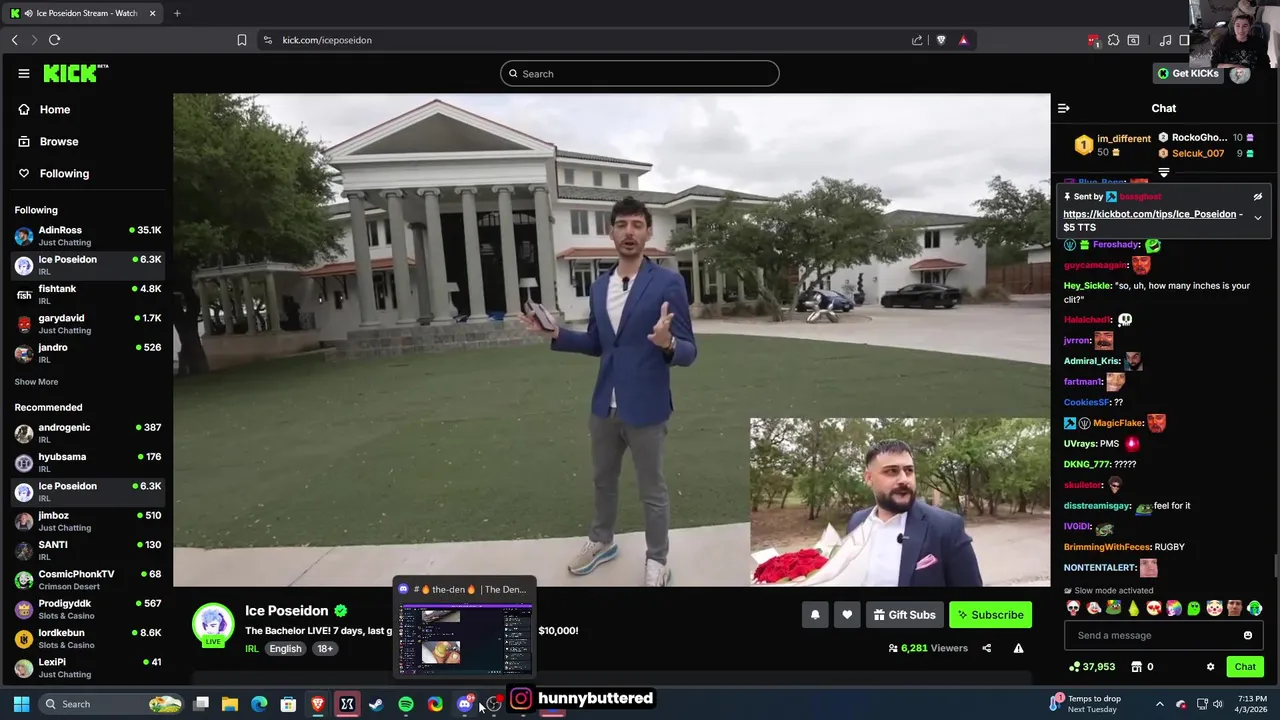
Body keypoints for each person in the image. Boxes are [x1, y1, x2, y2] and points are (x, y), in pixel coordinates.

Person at [519, 196, 696, 587]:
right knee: (603, 480)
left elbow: (689, 350)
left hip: (647, 406)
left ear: (648, 232)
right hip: (604, 406)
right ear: (610, 232)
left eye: (637, 225)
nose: (629, 232)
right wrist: (555, 333)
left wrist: (667, 343)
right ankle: (601, 541)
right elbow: (599, 343)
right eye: (621, 225)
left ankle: (657, 559)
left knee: (652, 490)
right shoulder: (600, 286)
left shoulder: (668, 282)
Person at [844, 440, 983, 586]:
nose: (904, 480)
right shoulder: (857, 522)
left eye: (909, 471)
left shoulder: (947, 527)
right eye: (892, 471)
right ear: (869, 478)